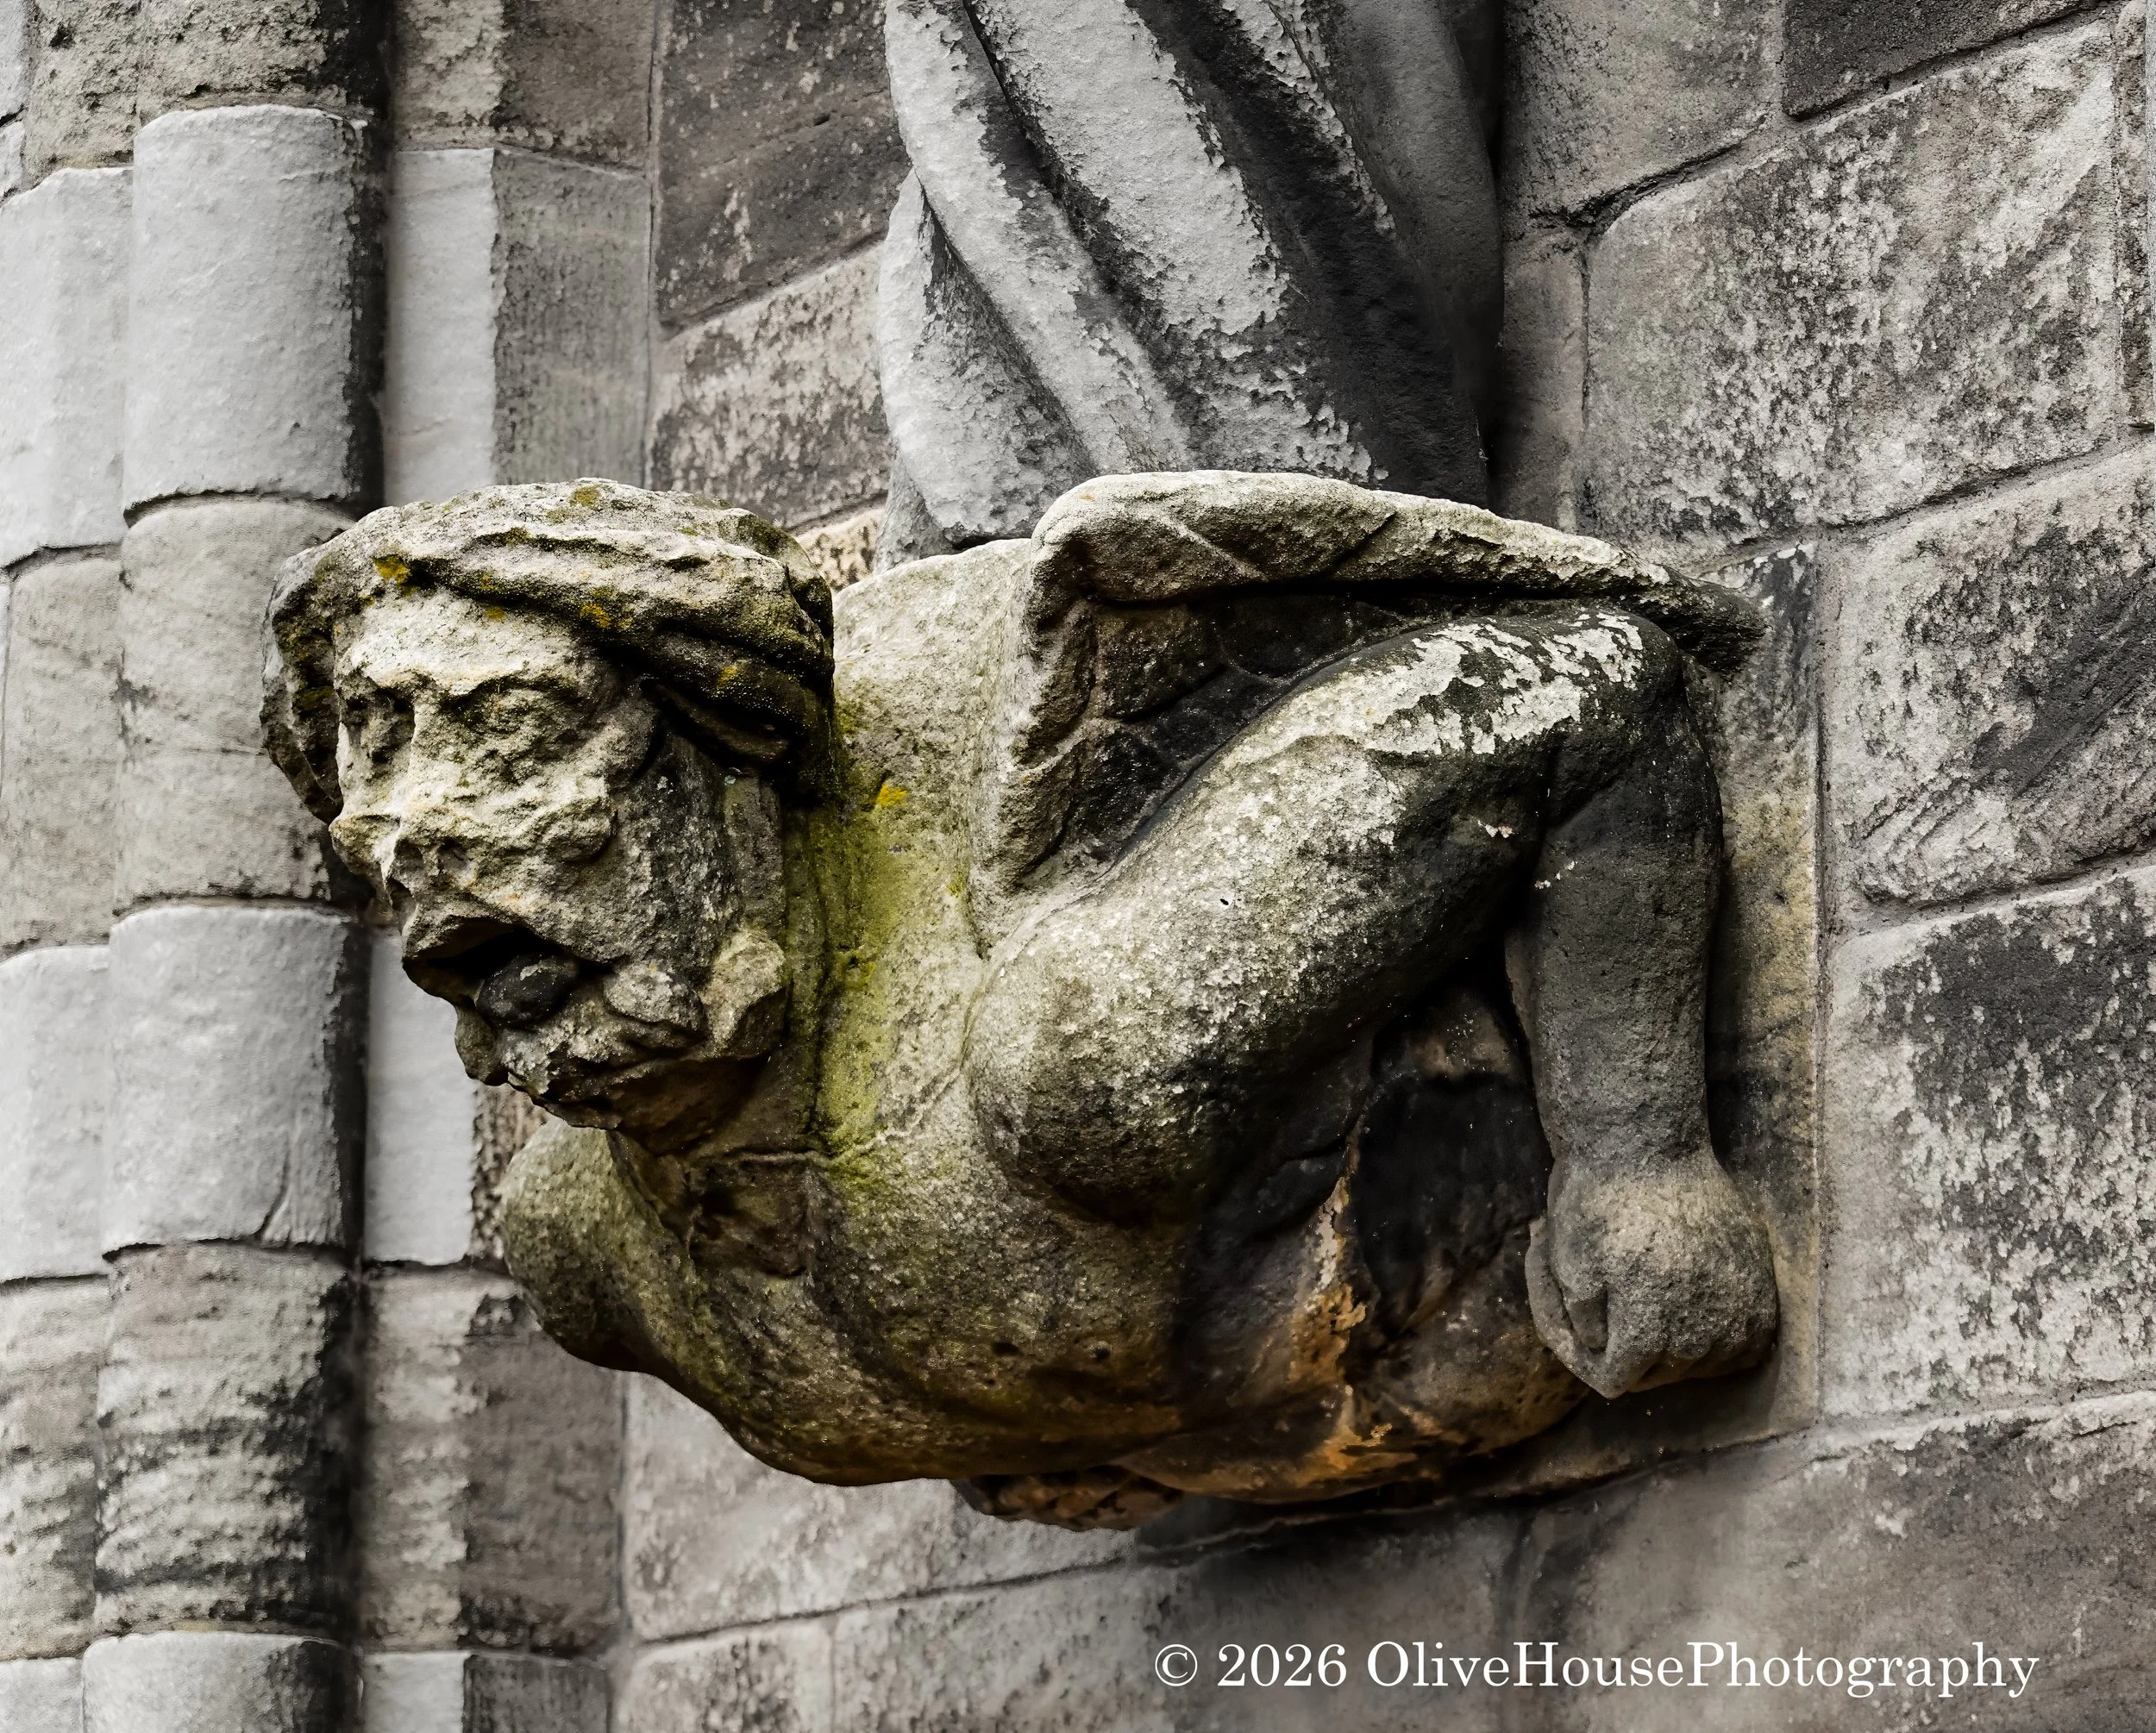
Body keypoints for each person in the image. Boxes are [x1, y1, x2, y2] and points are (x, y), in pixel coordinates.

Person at [264, 472, 1776, 1525]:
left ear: (731, 752)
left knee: (1083, 1088)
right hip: (1295, 1454)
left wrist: (1637, 1154)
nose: (427, 852)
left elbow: (1584, 685)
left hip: (1491, 1324)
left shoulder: (1091, 1043)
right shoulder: (596, 1257)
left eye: (519, 737)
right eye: (380, 827)